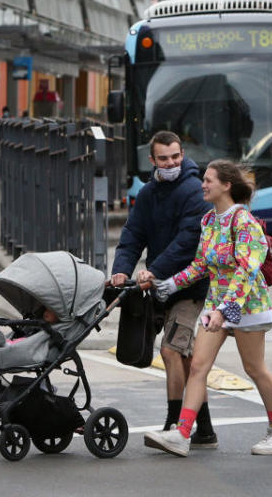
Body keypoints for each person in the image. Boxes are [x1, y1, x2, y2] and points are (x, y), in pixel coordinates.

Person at [140, 159, 272, 458]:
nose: (203, 185)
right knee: (197, 365)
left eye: (208, 180)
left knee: (254, 368)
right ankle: (182, 434)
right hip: (216, 304)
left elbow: (247, 271)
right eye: (203, 180)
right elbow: (201, 265)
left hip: (246, 303)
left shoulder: (244, 222)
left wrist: (225, 310)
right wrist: (171, 284)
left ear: (226, 185)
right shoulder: (209, 220)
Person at [110, 130, 217, 448]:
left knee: (171, 351)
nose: (171, 163)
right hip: (158, 286)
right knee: (184, 359)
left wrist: (154, 270)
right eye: (164, 158)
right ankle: (206, 429)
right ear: (152, 160)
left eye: (176, 157)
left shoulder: (193, 191)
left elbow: (188, 242)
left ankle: (173, 424)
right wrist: (120, 271)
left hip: (189, 286)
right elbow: (133, 234)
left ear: (182, 154)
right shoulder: (148, 193)